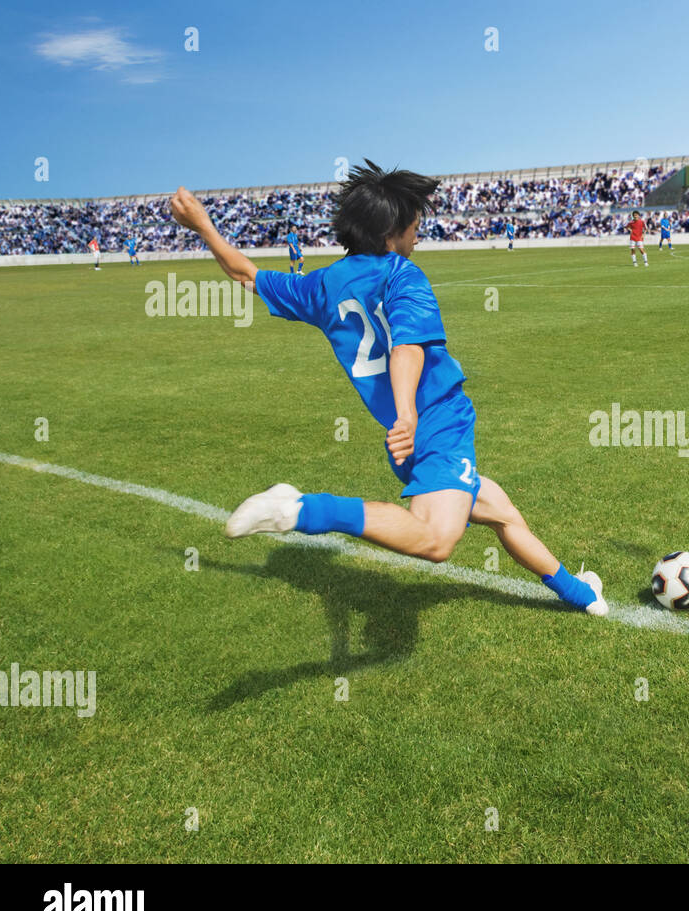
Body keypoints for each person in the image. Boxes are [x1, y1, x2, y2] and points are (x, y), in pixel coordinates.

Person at [167, 161, 607, 617]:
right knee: (437, 540)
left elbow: (246, 275)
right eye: (415, 227)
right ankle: (301, 510)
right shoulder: (402, 274)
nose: (418, 236)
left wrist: (202, 224)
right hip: (434, 422)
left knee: (500, 512)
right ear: (390, 234)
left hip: (407, 433)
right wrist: (408, 415)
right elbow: (408, 349)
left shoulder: (322, 283)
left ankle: (582, 593)